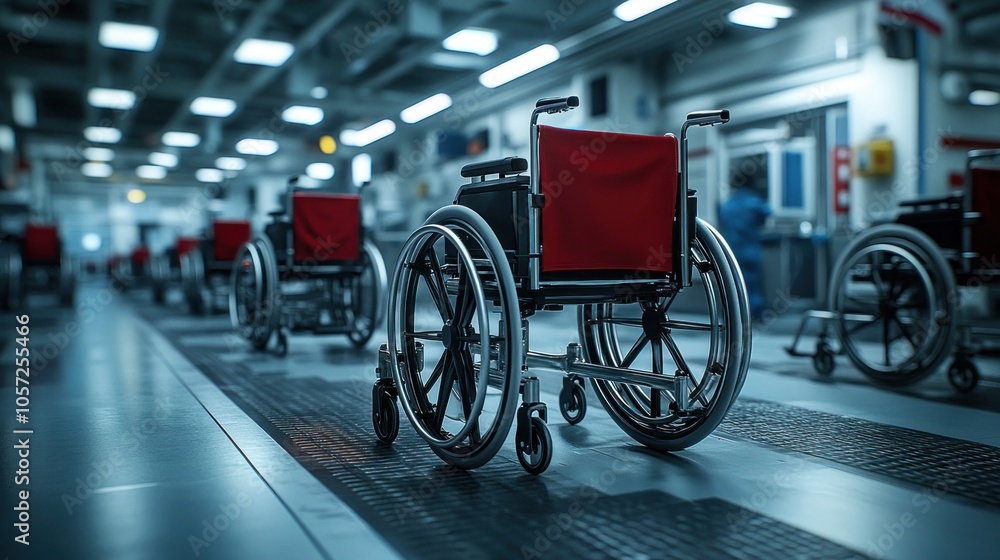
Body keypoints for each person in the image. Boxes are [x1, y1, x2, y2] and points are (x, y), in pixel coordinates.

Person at [719, 177, 771, 321]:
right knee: (754, 284)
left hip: (733, 251)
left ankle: (735, 316)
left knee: (735, 284)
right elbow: (767, 215)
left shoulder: (728, 204)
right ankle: (754, 315)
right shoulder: (754, 201)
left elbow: (723, 222)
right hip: (751, 249)